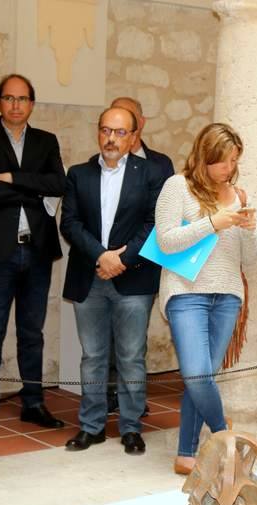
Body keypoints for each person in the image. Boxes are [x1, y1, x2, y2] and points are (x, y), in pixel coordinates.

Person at [155, 123, 257, 475]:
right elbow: (167, 241)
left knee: (202, 378)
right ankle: (224, 436)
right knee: (198, 375)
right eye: (223, 161)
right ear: (204, 157)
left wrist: (247, 229)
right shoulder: (177, 187)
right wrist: (215, 221)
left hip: (228, 294)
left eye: (233, 161)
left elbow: (250, 260)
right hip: (185, 292)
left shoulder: (240, 195)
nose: (229, 169)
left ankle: (187, 454)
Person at [0, 73, 66, 437]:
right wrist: (32, 187)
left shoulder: (46, 141)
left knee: (32, 333)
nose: (15, 105)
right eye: (8, 98)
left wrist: (13, 177)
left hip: (36, 251)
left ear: (32, 104)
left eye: (22, 99)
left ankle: (33, 403)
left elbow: (58, 184)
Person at [60, 106, 164, 454]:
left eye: (120, 132)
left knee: (132, 356)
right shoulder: (78, 173)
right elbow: (70, 223)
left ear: (134, 137)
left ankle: (131, 427)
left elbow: (153, 224)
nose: (111, 139)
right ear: (98, 132)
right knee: (92, 356)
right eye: (106, 130)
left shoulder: (151, 174)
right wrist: (101, 256)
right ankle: (91, 426)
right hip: (89, 278)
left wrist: (121, 259)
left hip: (133, 279)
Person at [105, 96, 175, 414]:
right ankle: (107, 395)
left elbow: (161, 217)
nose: (121, 130)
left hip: (141, 265)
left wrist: (129, 256)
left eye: (129, 121)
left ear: (140, 124)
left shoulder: (161, 165)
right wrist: (108, 257)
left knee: (134, 342)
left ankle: (132, 401)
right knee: (104, 339)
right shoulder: (100, 164)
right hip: (106, 265)